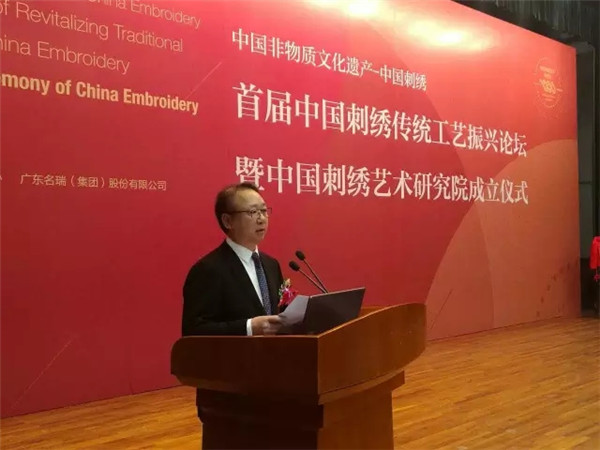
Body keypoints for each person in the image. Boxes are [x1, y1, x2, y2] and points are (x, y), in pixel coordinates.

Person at [182, 182, 283, 336]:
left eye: (263, 210)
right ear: (227, 221)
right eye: (252, 212)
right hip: (234, 352)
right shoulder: (208, 269)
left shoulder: (271, 265)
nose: (262, 219)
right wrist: (248, 327)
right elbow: (194, 331)